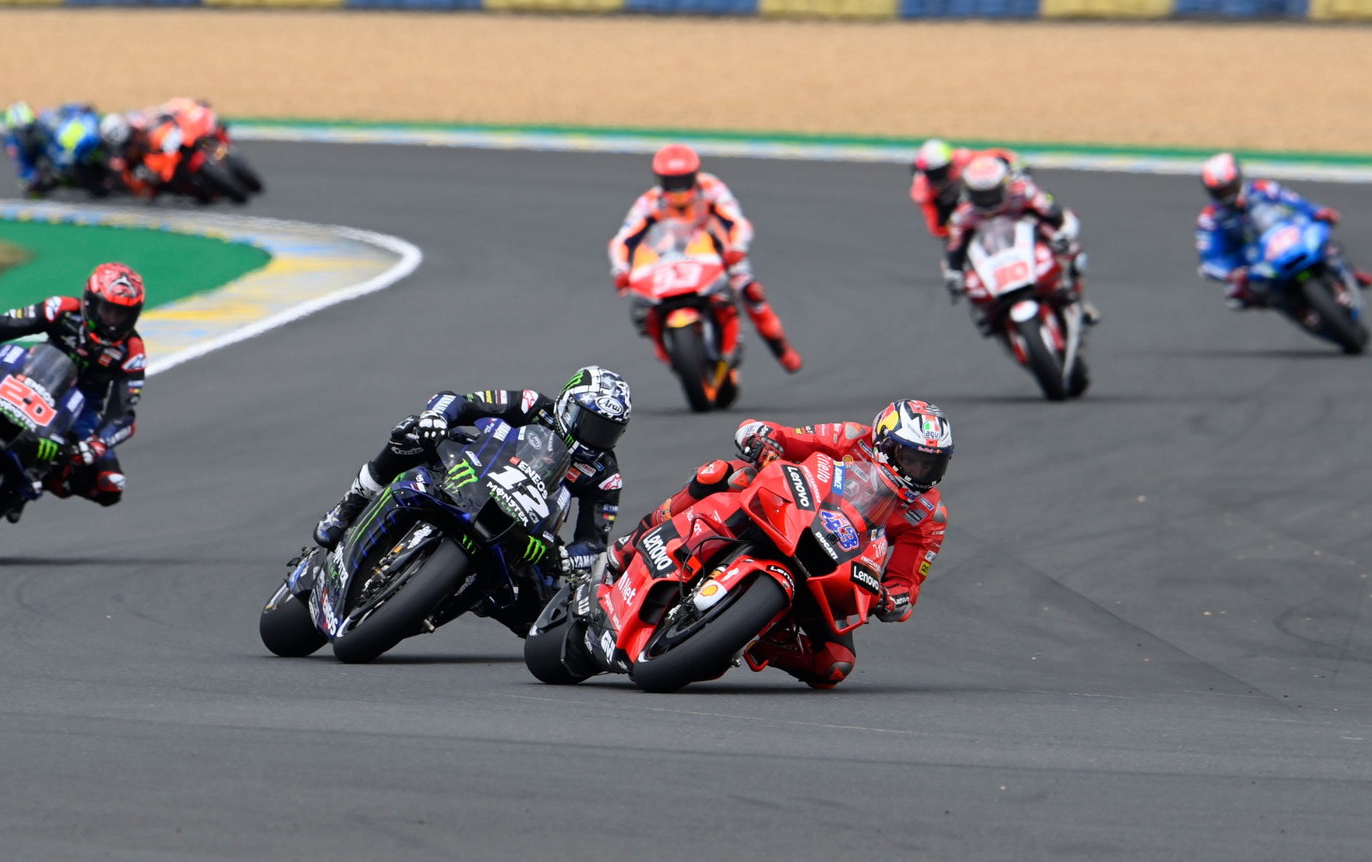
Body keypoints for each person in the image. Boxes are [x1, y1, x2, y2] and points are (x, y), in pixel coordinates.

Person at [606, 398, 954, 690]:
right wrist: (761, 438)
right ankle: (635, 540)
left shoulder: (928, 514)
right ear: (885, 445)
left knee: (835, 665)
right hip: (791, 509)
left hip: (835, 561)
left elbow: (906, 581)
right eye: (913, 459)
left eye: (931, 464)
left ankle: (754, 637)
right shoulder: (851, 438)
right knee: (721, 474)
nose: (920, 471)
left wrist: (893, 599)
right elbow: (785, 437)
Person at [313, 366, 633, 578]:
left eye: (608, 431)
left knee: (538, 599)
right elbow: (462, 402)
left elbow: (593, 544)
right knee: (410, 433)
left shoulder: (605, 474)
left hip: (523, 528)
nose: (596, 437)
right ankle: (353, 501)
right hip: (471, 471)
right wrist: (436, 418)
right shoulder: (532, 405)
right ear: (567, 405)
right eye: (590, 423)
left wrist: (567, 560)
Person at [0, 263, 147, 518]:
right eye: (108, 310)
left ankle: (28, 485)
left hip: (80, 408)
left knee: (109, 484)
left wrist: (98, 443)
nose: (113, 321)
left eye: (122, 314)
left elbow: (123, 414)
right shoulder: (62, 309)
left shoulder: (132, 352)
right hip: (32, 372)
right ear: (89, 302)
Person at [608, 144, 801, 373]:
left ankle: (781, 349)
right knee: (642, 307)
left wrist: (738, 246)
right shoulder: (649, 202)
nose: (678, 189)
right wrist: (619, 269)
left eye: (683, 180)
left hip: (719, 255)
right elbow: (623, 239)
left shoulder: (712, 188)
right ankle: (663, 346)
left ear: (694, 175)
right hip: (669, 261)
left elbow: (737, 221)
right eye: (671, 182)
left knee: (750, 292)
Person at [1195, 152, 1372, 308]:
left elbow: (1294, 201)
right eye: (1220, 192)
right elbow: (1209, 261)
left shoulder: (1262, 188)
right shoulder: (1209, 219)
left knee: (1323, 238)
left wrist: (1319, 212)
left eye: (1229, 188)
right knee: (1238, 299)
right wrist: (1230, 274)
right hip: (1250, 264)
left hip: (1281, 236)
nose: (1227, 195)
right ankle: (1288, 306)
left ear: (1238, 179)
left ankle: (1346, 272)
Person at [942, 151, 1097, 328]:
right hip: (993, 259)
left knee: (1074, 253)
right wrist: (954, 274)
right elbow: (954, 247)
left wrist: (1063, 234)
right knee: (971, 293)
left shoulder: (1024, 191)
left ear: (1005, 185)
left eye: (992, 192)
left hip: (1032, 244)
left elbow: (1057, 215)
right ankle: (992, 318)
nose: (986, 200)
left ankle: (1080, 302)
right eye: (979, 195)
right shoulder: (962, 215)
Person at [909, 138, 970, 240]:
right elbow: (937, 228)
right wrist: (958, 229)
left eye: (937, 172)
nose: (934, 177)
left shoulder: (962, 157)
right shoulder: (922, 191)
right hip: (959, 223)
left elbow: (999, 155)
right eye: (929, 173)